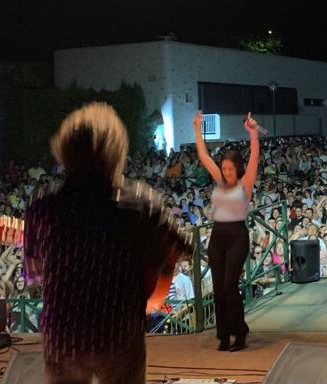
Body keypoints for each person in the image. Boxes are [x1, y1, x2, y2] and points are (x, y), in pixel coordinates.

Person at [24, 102, 192, 383]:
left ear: (64, 151)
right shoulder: (139, 202)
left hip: (62, 337)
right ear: (115, 150)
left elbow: (34, 271)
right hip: (119, 333)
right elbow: (182, 248)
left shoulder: (42, 205)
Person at [193, 110, 261, 352]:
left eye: (230, 169)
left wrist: (253, 134)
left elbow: (254, 159)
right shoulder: (218, 180)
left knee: (230, 285)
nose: (226, 173)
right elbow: (202, 155)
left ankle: (239, 332)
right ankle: (223, 334)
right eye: (224, 169)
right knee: (219, 287)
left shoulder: (245, 183)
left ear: (238, 169)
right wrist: (197, 128)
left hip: (237, 236)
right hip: (217, 236)